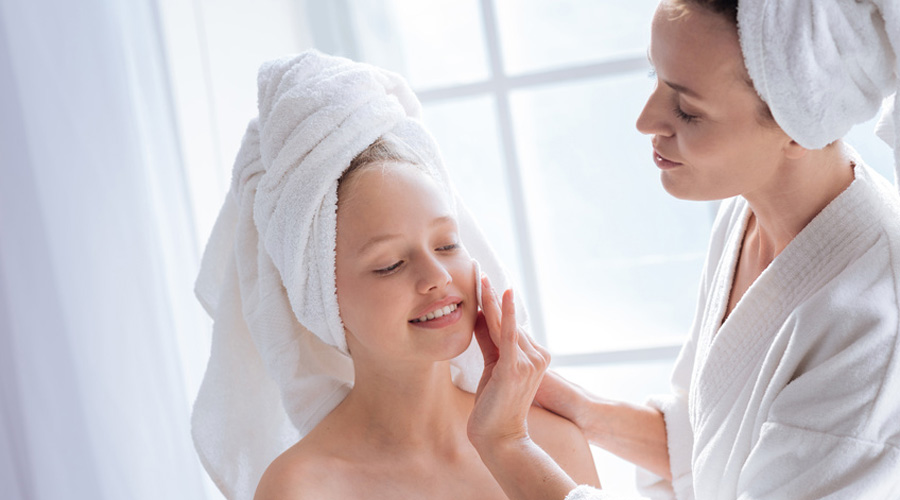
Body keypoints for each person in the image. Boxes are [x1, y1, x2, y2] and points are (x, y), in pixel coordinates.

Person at [466, 0, 900, 499]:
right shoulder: (750, 214)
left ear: (799, 128)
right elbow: (717, 444)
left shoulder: (871, 325)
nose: (645, 120)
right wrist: (572, 403)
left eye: (688, 111)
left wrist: (505, 445)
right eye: (655, 76)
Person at [190, 50, 599, 500]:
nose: (437, 275)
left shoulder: (552, 446)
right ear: (322, 297)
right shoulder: (304, 488)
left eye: (447, 245)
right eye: (390, 265)